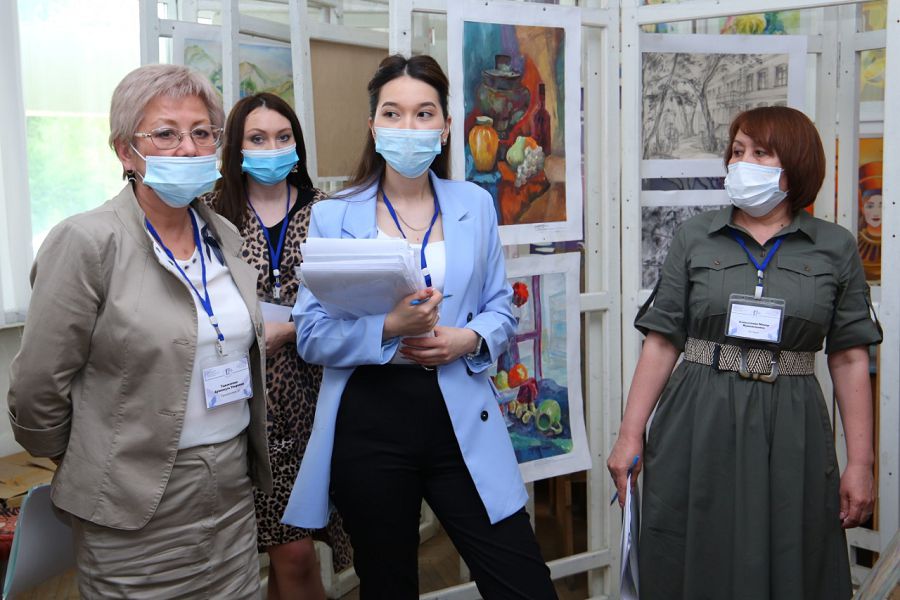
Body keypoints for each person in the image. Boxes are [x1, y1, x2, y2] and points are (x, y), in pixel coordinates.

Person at [282, 54, 558, 599]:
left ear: (446, 126)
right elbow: (310, 334)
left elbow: (501, 308)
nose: (408, 127)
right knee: (388, 585)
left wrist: (468, 338)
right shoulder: (335, 214)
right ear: (373, 126)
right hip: (370, 420)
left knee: (523, 584)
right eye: (393, 113)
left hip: (461, 414)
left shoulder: (474, 204)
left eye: (423, 113)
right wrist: (388, 326)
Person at [7, 64, 272, 598]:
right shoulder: (87, 242)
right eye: (166, 134)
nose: (188, 148)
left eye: (202, 132)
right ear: (126, 152)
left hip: (230, 487)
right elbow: (36, 389)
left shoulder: (223, 235)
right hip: (133, 499)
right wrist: (90, 459)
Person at [607, 106, 882, 600]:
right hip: (698, 415)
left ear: (795, 164)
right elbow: (662, 340)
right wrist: (629, 436)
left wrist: (861, 463)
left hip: (792, 422)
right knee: (694, 549)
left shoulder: (835, 247)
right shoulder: (695, 236)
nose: (742, 162)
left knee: (791, 551)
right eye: (737, 151)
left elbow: (848, 357)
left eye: (760, 152)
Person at [204, 92, 351, 600]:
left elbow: (354, 303)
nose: (272, 148)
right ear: (236, 147)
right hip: (241, 404)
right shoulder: (211, 215)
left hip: (318, 396)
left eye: (283, 137)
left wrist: (288, 330)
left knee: (296, 550)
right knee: (288, 552)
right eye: (258, 138)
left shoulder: (330, 213)